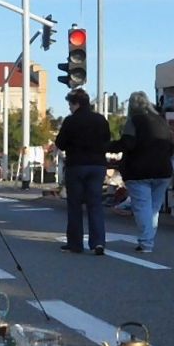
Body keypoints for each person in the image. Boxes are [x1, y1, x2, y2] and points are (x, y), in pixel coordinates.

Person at [111, 90, 174, 254]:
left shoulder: (133, 122)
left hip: (138, 171)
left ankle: (146, 242)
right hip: (163, 170)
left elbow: (126, 144)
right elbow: (170, 147)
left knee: (142, 207)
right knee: (153, 208)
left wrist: (105, 146)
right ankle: (148, 238)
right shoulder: (162, 121)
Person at [55, 88, 112, 255]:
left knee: (75, 205)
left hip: (77, 165)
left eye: (70, 104)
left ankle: (75, 243)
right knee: (95, 204)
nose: (69, 107)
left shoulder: (70, 121)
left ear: (77, 103)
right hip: (97, 165)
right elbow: (107, 140)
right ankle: (98, 242)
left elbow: (61, 143)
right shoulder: (100, 120)